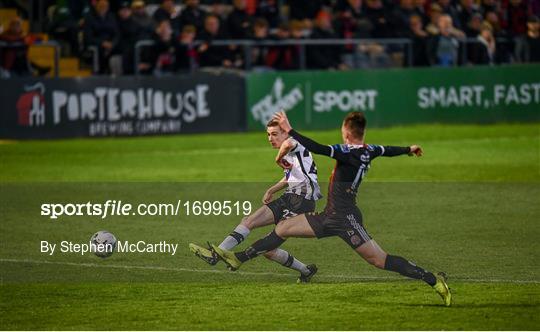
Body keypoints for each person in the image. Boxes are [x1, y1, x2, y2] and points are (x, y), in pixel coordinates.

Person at [211, 111, 452, 307]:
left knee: (379, 260)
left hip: (343, 218)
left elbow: (317, 148)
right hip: (333, 215)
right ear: (362, 132)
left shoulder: (347, 152)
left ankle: (432, 279)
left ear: (346, 132)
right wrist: (408, 149)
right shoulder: (370, 150)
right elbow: (387, 150)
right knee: (283, 228)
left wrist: (291, 129)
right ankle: (239, 258)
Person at [189, 119, 323, 283]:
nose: (270, 138)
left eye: (274, 134)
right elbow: (293, 177)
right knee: (251, 223)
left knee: (274, 239)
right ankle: (216, 254)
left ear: (284, 133)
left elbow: (288, 143)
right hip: (289, 197)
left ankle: (237, 258)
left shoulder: (295, 143)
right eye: (268, 134)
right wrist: (271, 189)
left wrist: (278, 158)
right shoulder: (291, 155)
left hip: (302, 201)